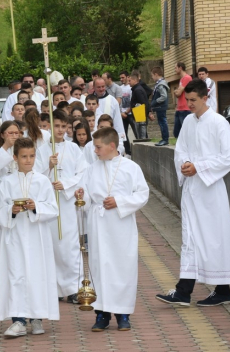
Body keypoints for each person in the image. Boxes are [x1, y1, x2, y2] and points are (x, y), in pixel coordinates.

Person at [155, 79, 230, 307]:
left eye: (193, 100)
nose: (189, 104)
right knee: (191, 238)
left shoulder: (218, 123)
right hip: (192, 189)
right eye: (187, 100)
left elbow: (229, 156)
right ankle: (184, 291)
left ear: (205, 98)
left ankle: (218, 289)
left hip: (210, 190)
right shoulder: (187, 122)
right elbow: (181, 149)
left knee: (213, 239)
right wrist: (186, 163)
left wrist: (200, 167)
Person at [75, 127, 149, 332]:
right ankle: (102, 315)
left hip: (121, 225)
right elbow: (86, 196)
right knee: (99, 268)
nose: (95, 151)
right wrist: (81, 196)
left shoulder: (131, 168)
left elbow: (142, 194)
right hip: (98, 225)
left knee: (122, 267)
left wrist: (120, 201)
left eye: (98, 147)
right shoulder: (91, 169)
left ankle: (123, 314)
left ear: (112, 146)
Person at [0, 137, 60, 338]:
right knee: (16, 275)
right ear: (15, 158)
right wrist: (11, 210)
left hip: (37, 237)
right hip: (14, 236)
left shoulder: (42, 181)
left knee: (37, 275)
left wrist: (36, 207)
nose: (28, 160)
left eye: (31, 156)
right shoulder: (6, 182)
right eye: (24, 157)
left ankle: (37, 318)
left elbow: (53, 210)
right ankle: (19, 320)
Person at [34, 109, 87, 304]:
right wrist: (48, 166)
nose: (60, 130)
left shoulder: (74, 149)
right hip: (49, 203)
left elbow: (83, 173)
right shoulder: (41, 151)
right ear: (49, 126)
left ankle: (74, 288)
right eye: (56, 126)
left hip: (66, 203)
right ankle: (53, 288)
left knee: (70, 246)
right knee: (51, 246)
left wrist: (64, 184)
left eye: (64, 127)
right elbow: (34, 176)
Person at [0, 121, 21, 268]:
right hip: (3, 192)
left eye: (16, 133)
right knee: (1, 221)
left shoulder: (22, 149)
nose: (13, 136)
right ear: (2, 134)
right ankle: (0, 260)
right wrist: (6, 146)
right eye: (10, 133)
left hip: (19, 189)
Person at [149, 66, 170, 146]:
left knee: (162, 122)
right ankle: (164, 138)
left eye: (152, 75)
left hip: (161, 106)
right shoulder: (160, 84)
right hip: (159, 107)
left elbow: (164, 96)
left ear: (156, 74)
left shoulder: (160, 85)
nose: (152, 77)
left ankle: (165, 139)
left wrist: (155, 102)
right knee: (161, 122)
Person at [172, 62, 192, 138]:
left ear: (180, 68)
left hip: (185, 109)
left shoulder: (187, 78)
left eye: (175, 68)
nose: (175, 70)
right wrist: (176, 91)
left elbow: (178, 93)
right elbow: (178, 92)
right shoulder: (182, 79)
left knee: (185, 132)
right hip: (179, 108)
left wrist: (176, 91)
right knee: (176, 133)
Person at [119, 71, 136, 157]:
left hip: (130, 113)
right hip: (122, 114)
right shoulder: (119, 88)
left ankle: (137, 150)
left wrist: (127, 111)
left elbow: (133, 102)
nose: (121, 79)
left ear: (128, 77)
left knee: (136, 131)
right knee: (124, 134)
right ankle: (128, 152)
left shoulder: (131, 88)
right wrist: (121, 112)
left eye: (123, 77)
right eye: (120, 78)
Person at [129, 72, 149, 140]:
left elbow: (143, 103)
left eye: (130, 80)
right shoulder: (136, 89)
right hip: (139, 115)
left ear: (135, 80)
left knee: (141, 135)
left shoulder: (137, 90)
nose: (129, 82)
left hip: (139, 115)